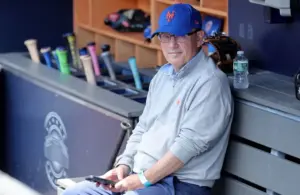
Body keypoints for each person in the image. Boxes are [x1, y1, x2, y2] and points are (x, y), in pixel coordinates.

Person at [63, 3, 233, 195]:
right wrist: (124, 165)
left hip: (179, 185)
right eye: (165, 37)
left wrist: (142, 180)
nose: (172, 45)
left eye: (179, 36)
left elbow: (188, 145)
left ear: (200, 37)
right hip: (143, 177)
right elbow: (143, 127)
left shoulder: (210, 82)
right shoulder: (163, 75)